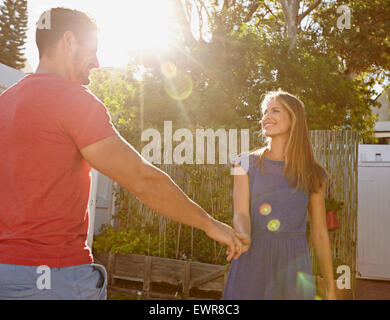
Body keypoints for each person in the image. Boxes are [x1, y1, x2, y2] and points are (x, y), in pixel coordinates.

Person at [0, 7, 243, 300]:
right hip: (54, 277)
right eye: (92, 49)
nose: (97, 61)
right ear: (69, 41)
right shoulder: (73, 101)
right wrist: (211, 225)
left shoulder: (6, 102)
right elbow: (143, 181)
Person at [222, 90, 337, 300]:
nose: (266, 117)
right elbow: (241, 213)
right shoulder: (244, 164)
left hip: (294, 265)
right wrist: (244, 234)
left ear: (294, 119)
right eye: (265, 112)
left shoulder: (313, 173)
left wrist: (330, 287)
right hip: (252, 260)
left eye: (275, 110)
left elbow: (320, 233)